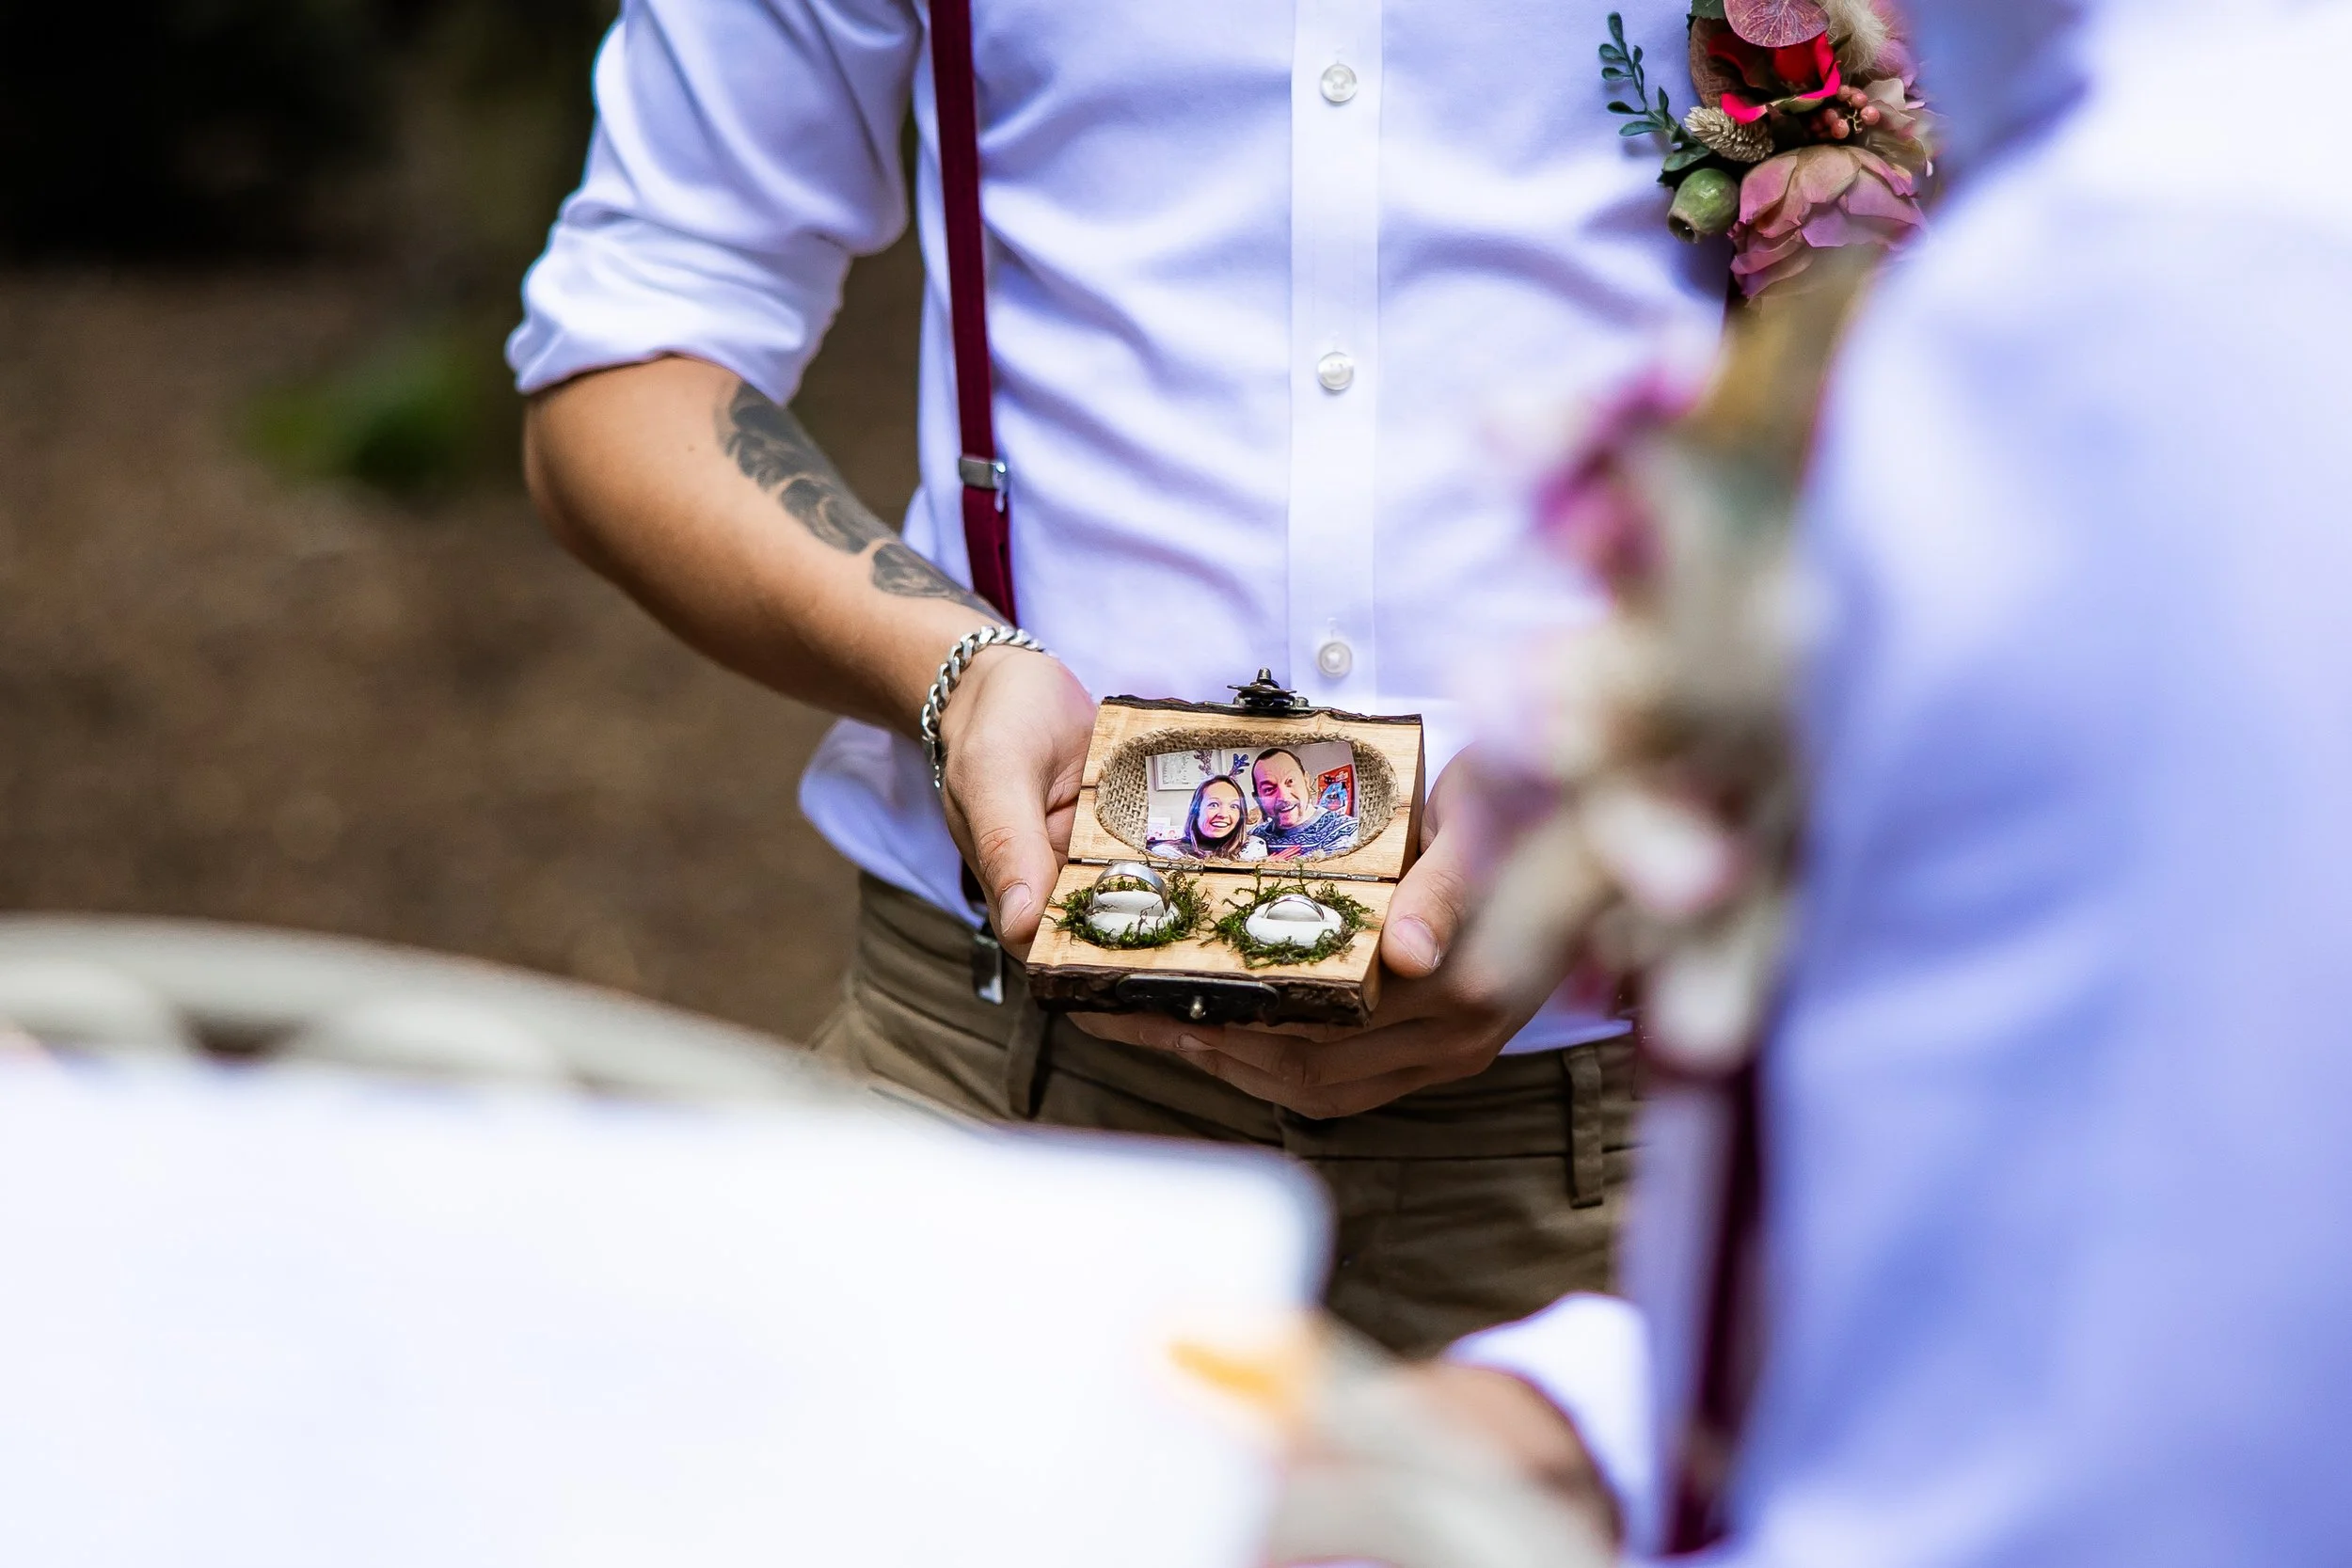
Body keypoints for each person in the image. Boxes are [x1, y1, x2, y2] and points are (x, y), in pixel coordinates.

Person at [510, 0, 1719, 1354]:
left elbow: (1989, 397)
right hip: (992, 1103)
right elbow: (626, 356)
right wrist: (955, 670)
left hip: (1668, 1151)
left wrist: (1639, 758)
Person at [1362, 0, 2352, 1558]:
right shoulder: (2110, 204)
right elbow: (2027, 1130)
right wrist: (1586, 1420)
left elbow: (2180, 1367)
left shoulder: (2187, 281)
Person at [1248, 748, 1359, 861]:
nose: (1284, 797)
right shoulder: (1254, 836)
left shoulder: (1347, 830)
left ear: (1306, 781)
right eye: (1269, 789)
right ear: (1258, 799)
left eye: (1290, 781)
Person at [1160, 774, 1264, 863]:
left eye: (1233, 806)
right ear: (1196, 811)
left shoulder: (1253, 848)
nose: (1223, 814)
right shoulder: (1167, 853)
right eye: (1213, 805)